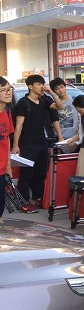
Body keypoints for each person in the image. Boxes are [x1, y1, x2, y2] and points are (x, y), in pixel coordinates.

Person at [11, 74, 65, 212]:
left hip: (42, 143)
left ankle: (37, 198)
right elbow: (18, 126)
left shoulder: (43, 100)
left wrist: (51, 91)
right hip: (28, 144)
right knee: (26, 174)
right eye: (39, 84)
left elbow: (60, 106)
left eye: (43, 84)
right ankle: (24, 202)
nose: (42, 87)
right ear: (30, 86)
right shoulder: (23, 103)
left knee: (40, 173)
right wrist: (16, 145)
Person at [49, 78, 80, 147]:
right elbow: (54, 120)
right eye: (57, 89)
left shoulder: (74, 100)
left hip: (75, 137)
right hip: (59, 138)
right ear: (54, 91)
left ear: (65, 87)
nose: (60, 90)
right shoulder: (53, 104)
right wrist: (60, 137)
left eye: (62, 87)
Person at [0, 77, 14, 217]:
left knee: (1, 206)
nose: (8, 93)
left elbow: (7, 138)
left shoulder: (7, 112)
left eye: (9, 89)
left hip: (2, 168)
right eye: (3, 90)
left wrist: (8, 165)